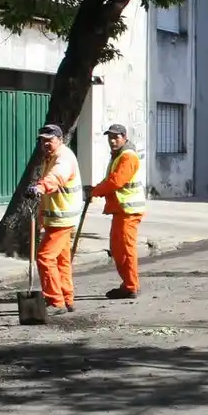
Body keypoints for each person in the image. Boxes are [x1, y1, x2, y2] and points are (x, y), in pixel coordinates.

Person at [25, 124, 82, 314]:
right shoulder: (51, 157)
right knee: (61, 260)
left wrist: (40, 187)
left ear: (60, 140)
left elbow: (57, 176)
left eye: (50, 140)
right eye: (43, 140)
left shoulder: (63, 157)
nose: (46, 143)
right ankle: (67, 298)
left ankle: (55, 301)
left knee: (45, 257)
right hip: (59, 216)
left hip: (62, 218)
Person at [85, 123, 146, 300]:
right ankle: (127, 284)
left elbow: (116, 181)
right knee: (118, 249)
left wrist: (95, 191)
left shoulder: (128, 157)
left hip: (129, 210)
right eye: (110, 137)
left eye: (116, 137)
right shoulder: (118, 156)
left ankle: (131, 286)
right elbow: (111, 180)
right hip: (121, 209)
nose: (112, 140)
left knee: (126, 250)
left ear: (124, 137)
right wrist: (96, 189)